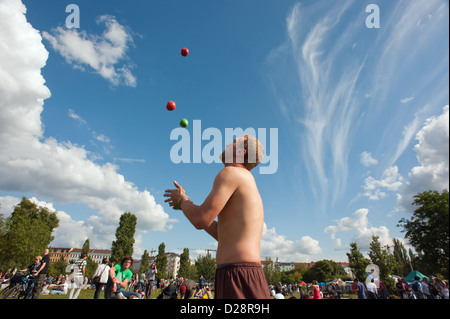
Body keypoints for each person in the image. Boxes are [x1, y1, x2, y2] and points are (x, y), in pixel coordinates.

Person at [164, 135, 270, 299]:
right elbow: (221, 233)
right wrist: (186, 207)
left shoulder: (231, 173)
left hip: (237, 273)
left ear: (241, 152)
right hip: (244, 272)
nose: (228, 144)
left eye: (234, 142)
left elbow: (200, 219)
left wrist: (182, 200)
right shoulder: (246, 179)